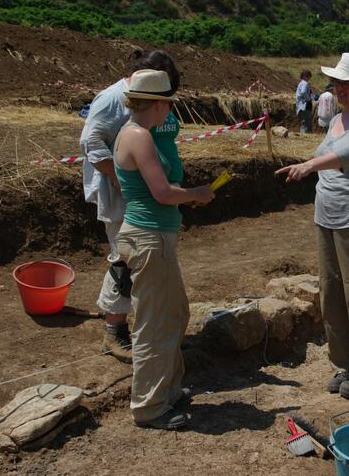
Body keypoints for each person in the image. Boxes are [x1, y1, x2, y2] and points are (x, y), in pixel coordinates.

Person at [275, 53, 349, 400]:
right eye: (336, 83)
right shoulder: (337, 119)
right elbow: (332, 154)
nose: (337, 88)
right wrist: (314, 166)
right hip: (327, 213)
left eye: (345, 83)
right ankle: (343, 364)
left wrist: (310, 164)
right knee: (333, 291)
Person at [112, 69, 214, 430]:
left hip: (154, 237)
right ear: (156, 104)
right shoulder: (139, 136)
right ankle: (150, 407)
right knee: (155, 324)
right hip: (148, 238)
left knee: (174, 314)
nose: (169, 112)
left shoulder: (139, 133)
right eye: (167, 105)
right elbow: (162, 193)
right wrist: (196, 194)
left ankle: (166, 391)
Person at [79, 50, 182, 363]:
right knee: (123, 261)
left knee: (136, 262)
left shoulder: (148, 103)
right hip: (124, 194)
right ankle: (115, 331)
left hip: (149, 195)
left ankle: (138, 329)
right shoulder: (111, 99)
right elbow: (90, 143)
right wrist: (121, 179)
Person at [296, 69, 313, 133]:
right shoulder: (305, 83)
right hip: (305, 105)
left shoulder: (300, 83)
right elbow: (303, 92)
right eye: (308, 76)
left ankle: (304, 134)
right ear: (305, 76)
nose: (309, 78)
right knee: (306, 121)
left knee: (304, 121)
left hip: (301, 105)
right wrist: (308, 98)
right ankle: (304, 134)